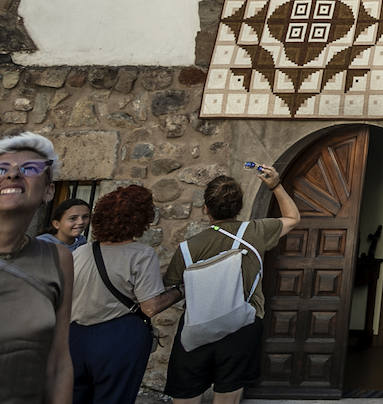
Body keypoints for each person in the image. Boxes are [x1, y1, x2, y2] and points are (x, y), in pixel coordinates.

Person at [162, 166, 300, 404]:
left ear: (206, 208)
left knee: (186, 396)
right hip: (241, 325)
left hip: (197, 327)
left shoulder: (187, 247)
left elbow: (172, 285)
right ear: (239, 207)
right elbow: (293, 218)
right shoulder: (255, 231)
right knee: (228, 398)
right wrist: (275, 185)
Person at [70, 185, 182, 404]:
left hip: (75, 338)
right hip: (117, 339)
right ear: (140, 219)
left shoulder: (82, 252)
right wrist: (180, 291)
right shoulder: (141, 254)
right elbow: (150, 306)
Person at [0, 131, 74, 404]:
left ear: (48, 190)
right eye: (1, 168)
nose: (13, 175)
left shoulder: (58, 258)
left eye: (29, 168)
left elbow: (59, 360)